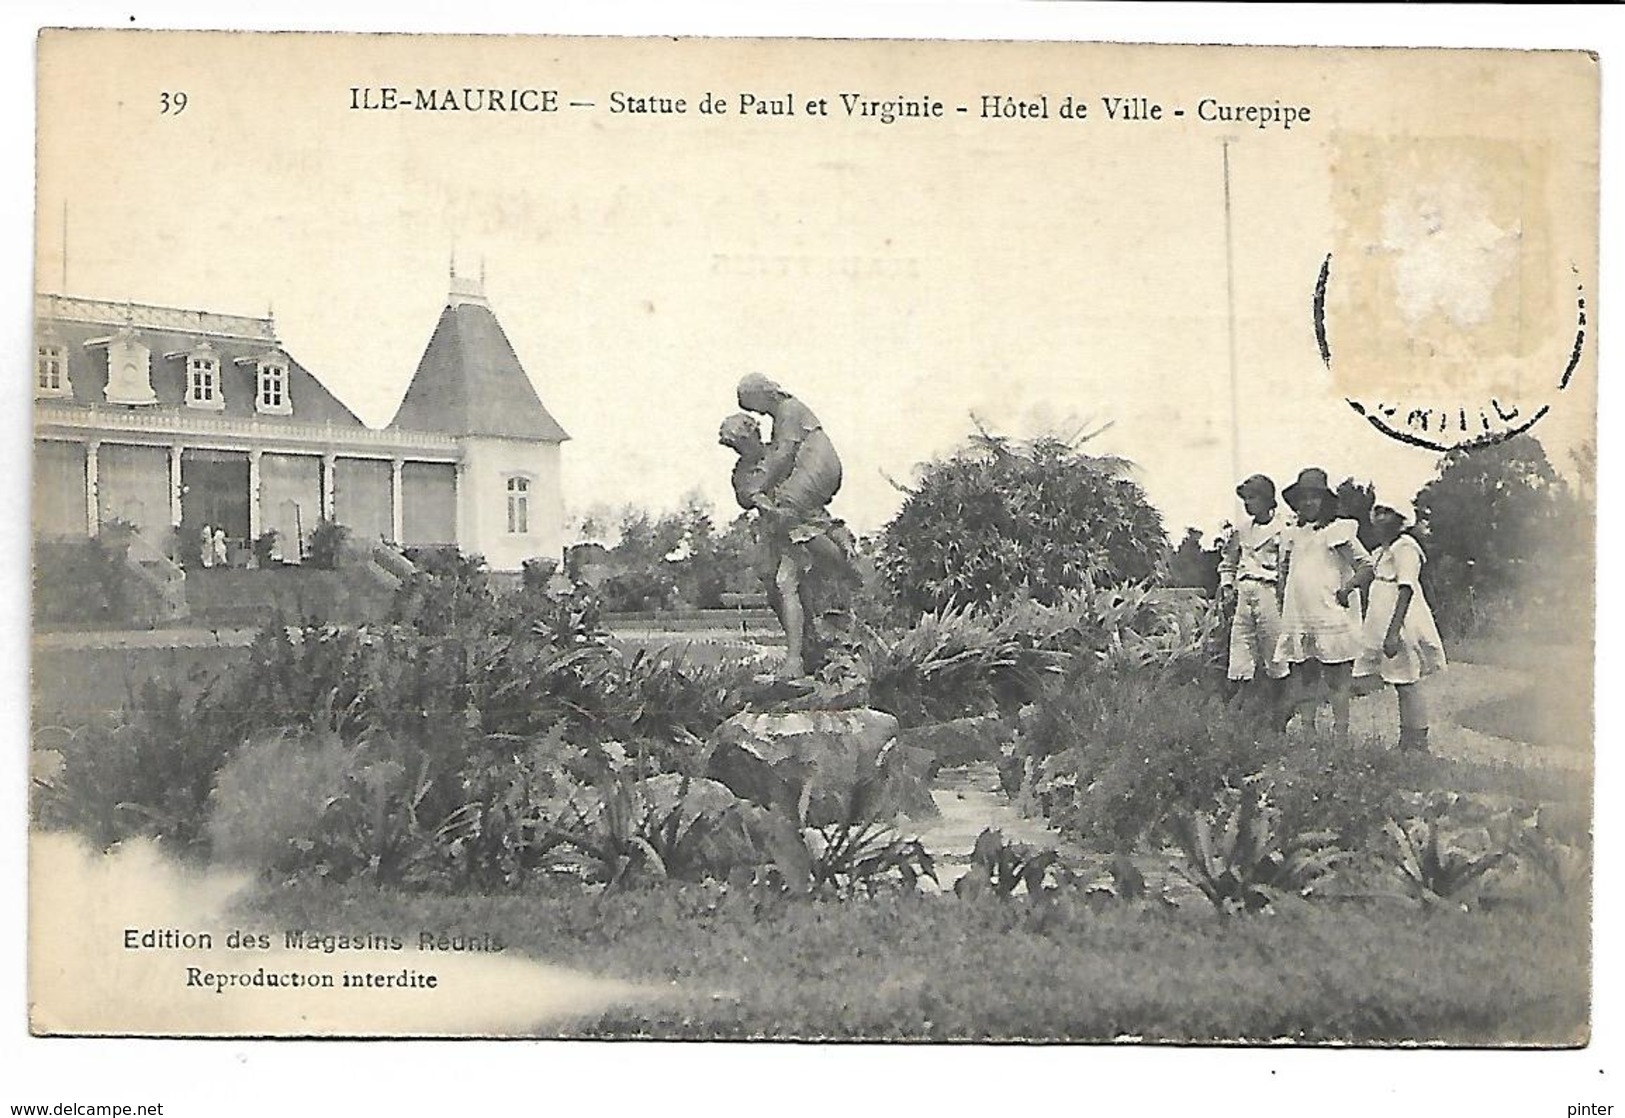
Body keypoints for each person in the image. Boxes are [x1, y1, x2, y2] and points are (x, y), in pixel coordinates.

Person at [1275, 467, 1372, 739]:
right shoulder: (1295, 534)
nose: (1308, 503)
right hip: (1302, 615)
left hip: (1329, 613)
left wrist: (1347, 589)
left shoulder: (1337, 530)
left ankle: (1340, 734)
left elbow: (1366, 566)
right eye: (1303, 498)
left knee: (1336, 677)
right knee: (1305, 674)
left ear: (1325, 501)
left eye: (1314, 497)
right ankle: (1308, 731)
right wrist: (1284, 596)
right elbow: (1287, 570)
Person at [1353, 502, 1447, 751]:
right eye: (1378, 512)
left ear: (1400, 519)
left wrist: (1393, 632)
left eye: (1388, 513)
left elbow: (1406, 588)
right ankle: (1406, 739)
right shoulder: (1382, 551)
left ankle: (1417, 742)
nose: (1381, 517)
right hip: (1383, 617)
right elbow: (1367, 574)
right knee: (1398, 680)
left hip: (1401, 620)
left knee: (1407, 680)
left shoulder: (1406, 548)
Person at [1217, 474, 1289, 711]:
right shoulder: (1242, 530)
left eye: (1254, 497)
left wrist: (1283, 595)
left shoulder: (1282, 529)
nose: (1249, 503)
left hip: (1268, 591)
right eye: (1246, 499)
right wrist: (1228, 586)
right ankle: (1242, 710)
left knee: (1275, 651)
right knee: (1241, 648)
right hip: (1244, 593)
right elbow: (1228, 561)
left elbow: (1285, 565)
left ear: (1268, 500)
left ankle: (1279, 711)